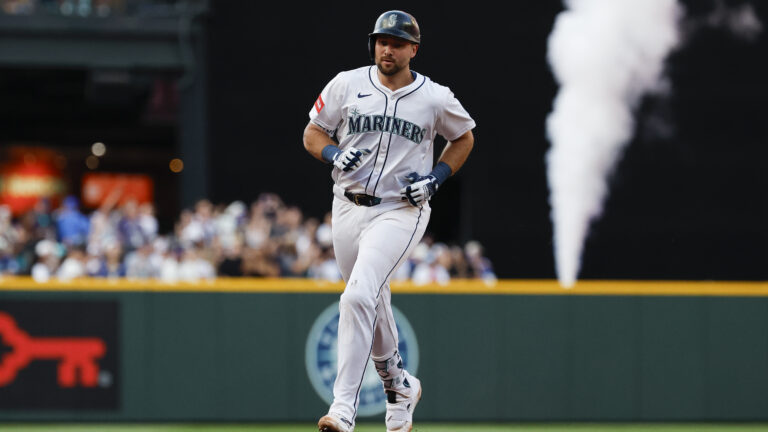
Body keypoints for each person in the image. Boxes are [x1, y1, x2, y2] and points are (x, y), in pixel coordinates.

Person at [303, 10, 475, 432]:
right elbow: (313, 133)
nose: (387, 48)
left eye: (397, 43)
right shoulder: (347, 83)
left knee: (358, 296)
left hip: (400, 209)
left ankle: (343, 407)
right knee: (372, 299)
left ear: (413, 50)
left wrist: (436, 177)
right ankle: (399, 386)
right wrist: (332, 153)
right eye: (382, 40)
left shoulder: (434, 96)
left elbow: (464, 136)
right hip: (346, 207)